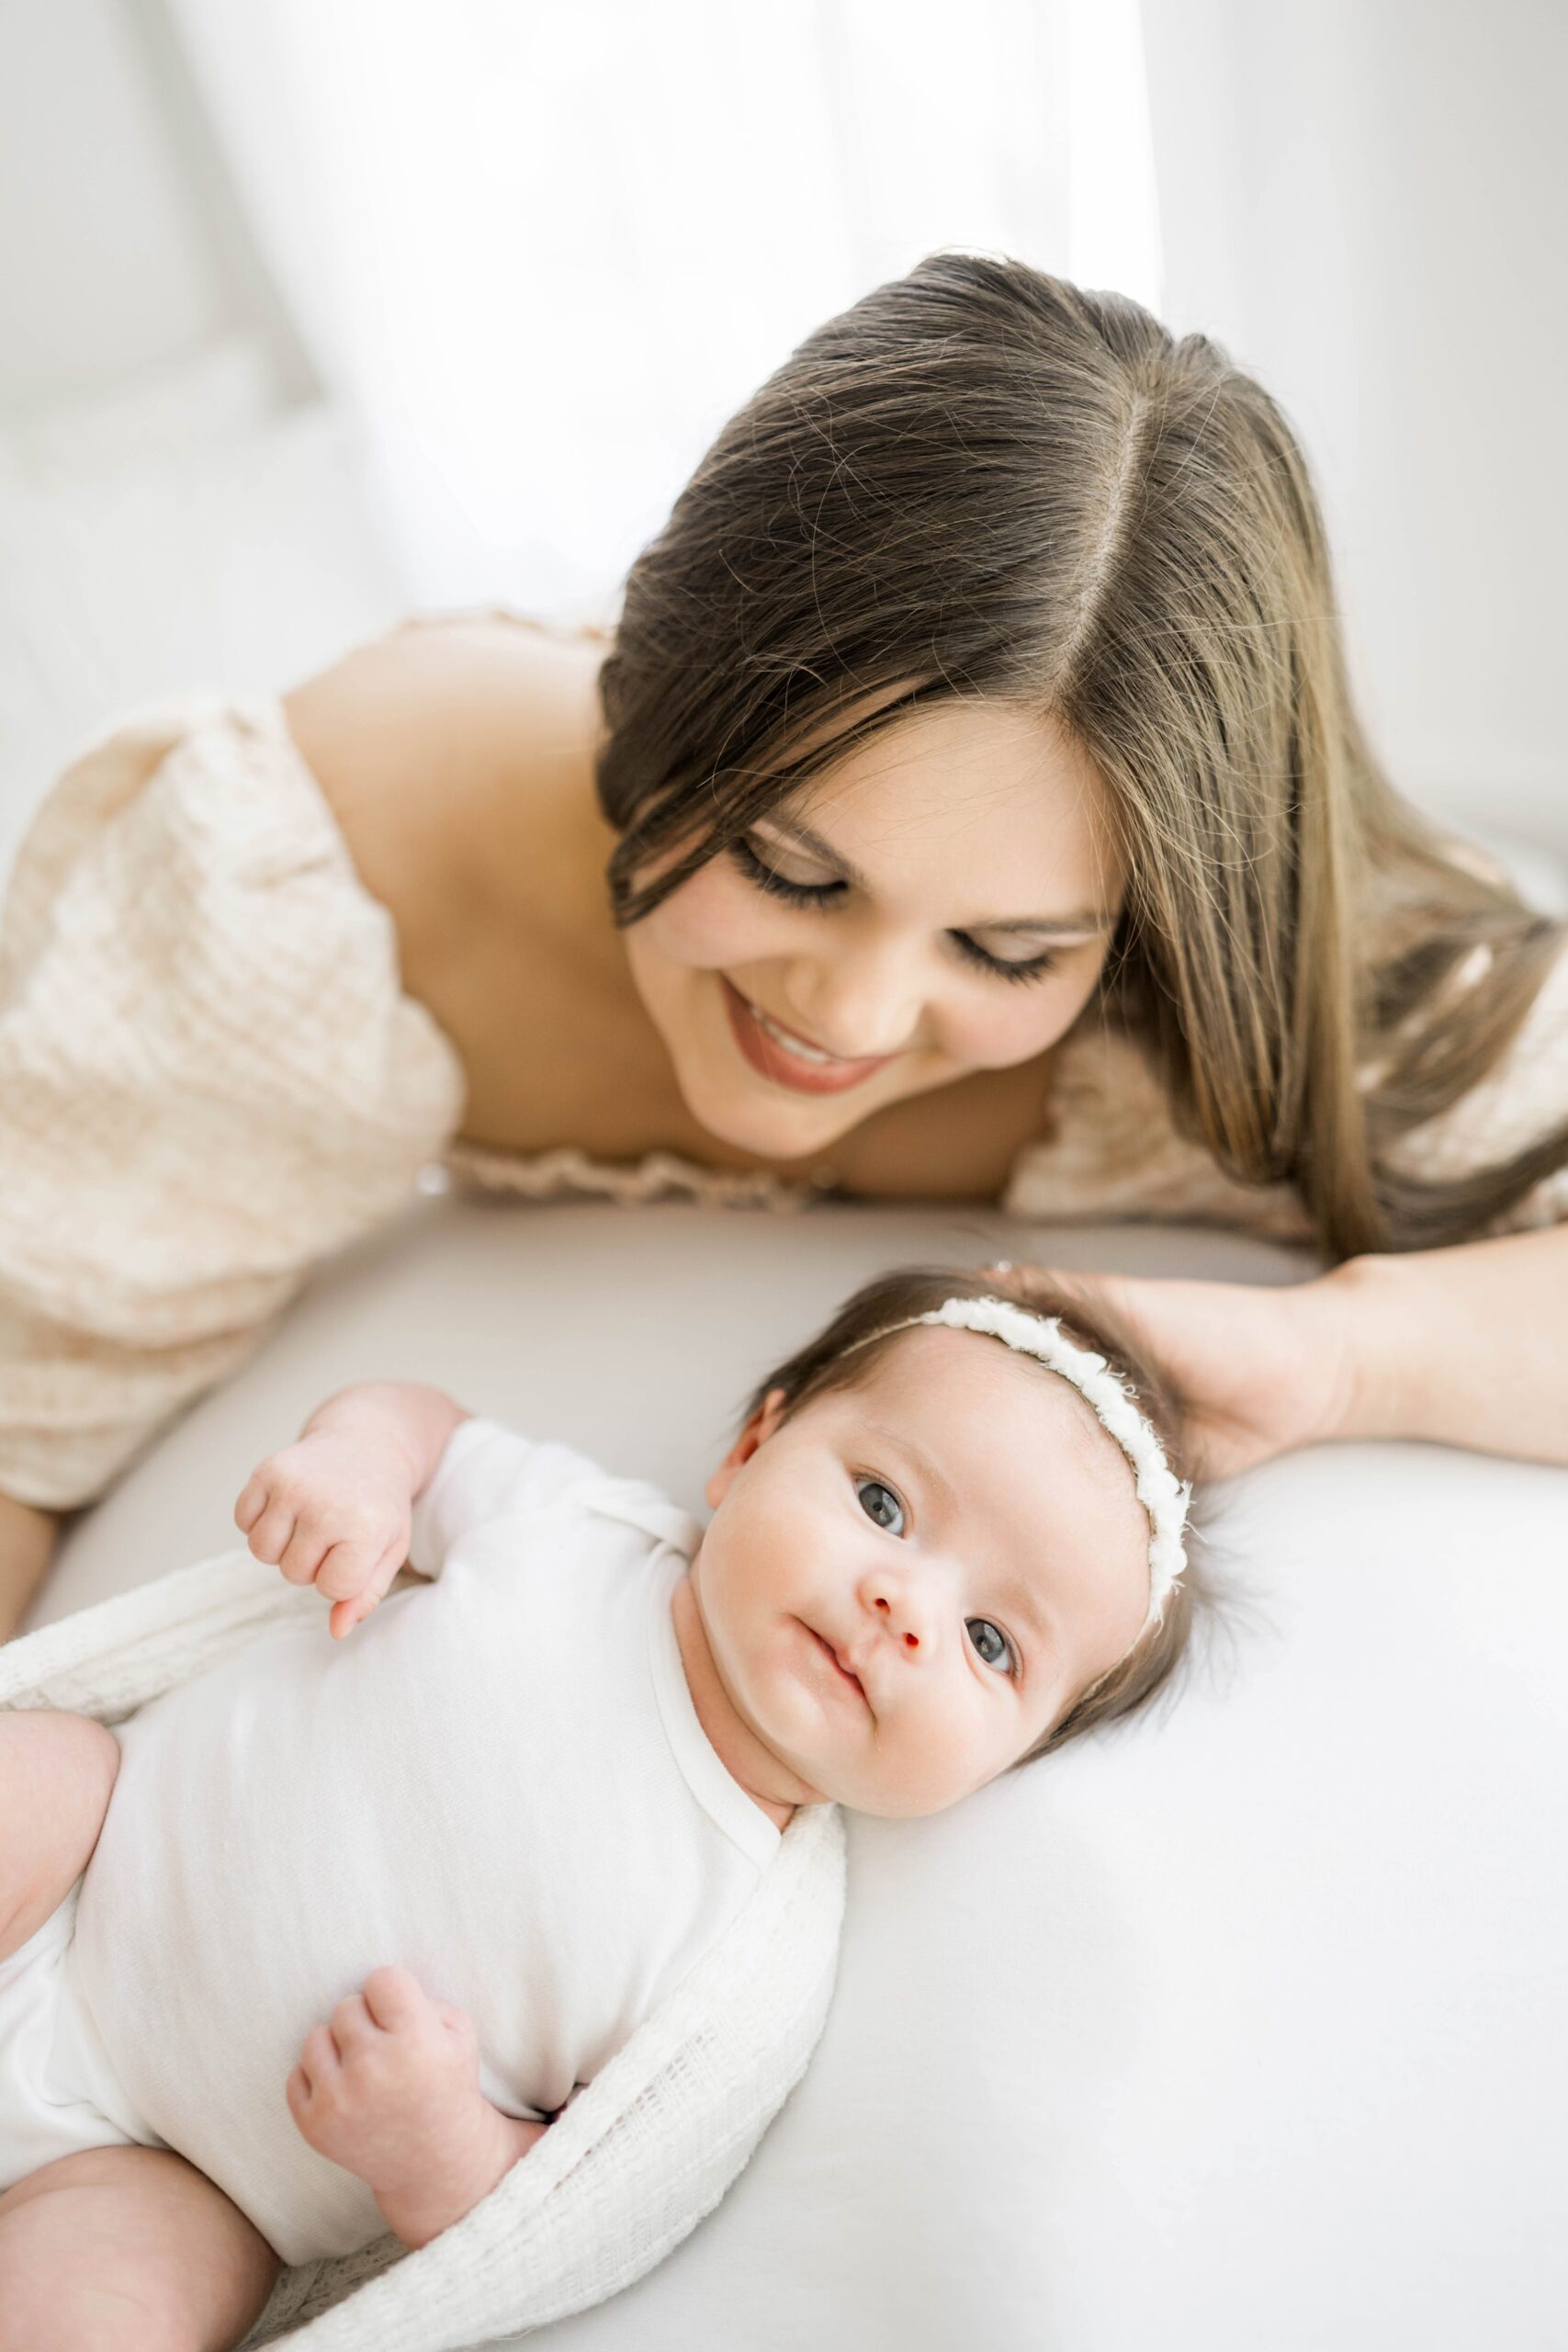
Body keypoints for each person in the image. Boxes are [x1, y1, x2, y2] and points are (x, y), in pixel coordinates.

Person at [2, 254, 1565, 1642]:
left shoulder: (1241, 1002)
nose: (855, 1013)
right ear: (651, 694)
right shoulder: (317, 870)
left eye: (1008, 952)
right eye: (787, 868)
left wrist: (1343, 1356)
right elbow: (20, 1415)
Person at [0, 1267, 1201, 2347]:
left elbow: (569, 2206)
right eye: (884, 1505)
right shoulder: (579, 1534)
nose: (905, 1605)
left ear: (1014, 1760)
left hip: (183, 2182)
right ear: (752, 1448)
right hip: (76, 1868)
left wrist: (437, 2145)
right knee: (33, 1777)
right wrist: (359, 1465)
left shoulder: (738, 1964)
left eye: (990, 1642)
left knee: (105, 2321)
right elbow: (421, 1425)